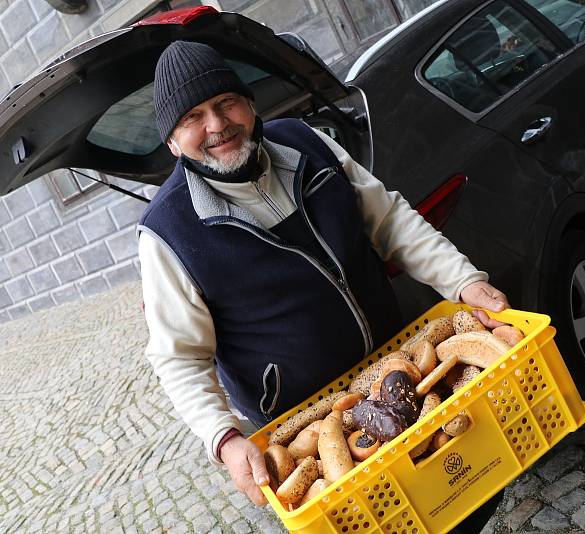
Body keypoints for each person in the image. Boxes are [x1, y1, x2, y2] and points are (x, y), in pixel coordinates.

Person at [138, 41, 509, 526]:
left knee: (464, 492)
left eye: (225, 102)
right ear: (171, 142)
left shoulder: (305, 143)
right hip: (310, 424)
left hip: (398, 372)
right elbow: (179, 357)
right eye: (193, 117)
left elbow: (389, 220)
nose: (216, 124)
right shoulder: (168, 231)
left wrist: (463, 282)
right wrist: (225, 439)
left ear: (249, 104)